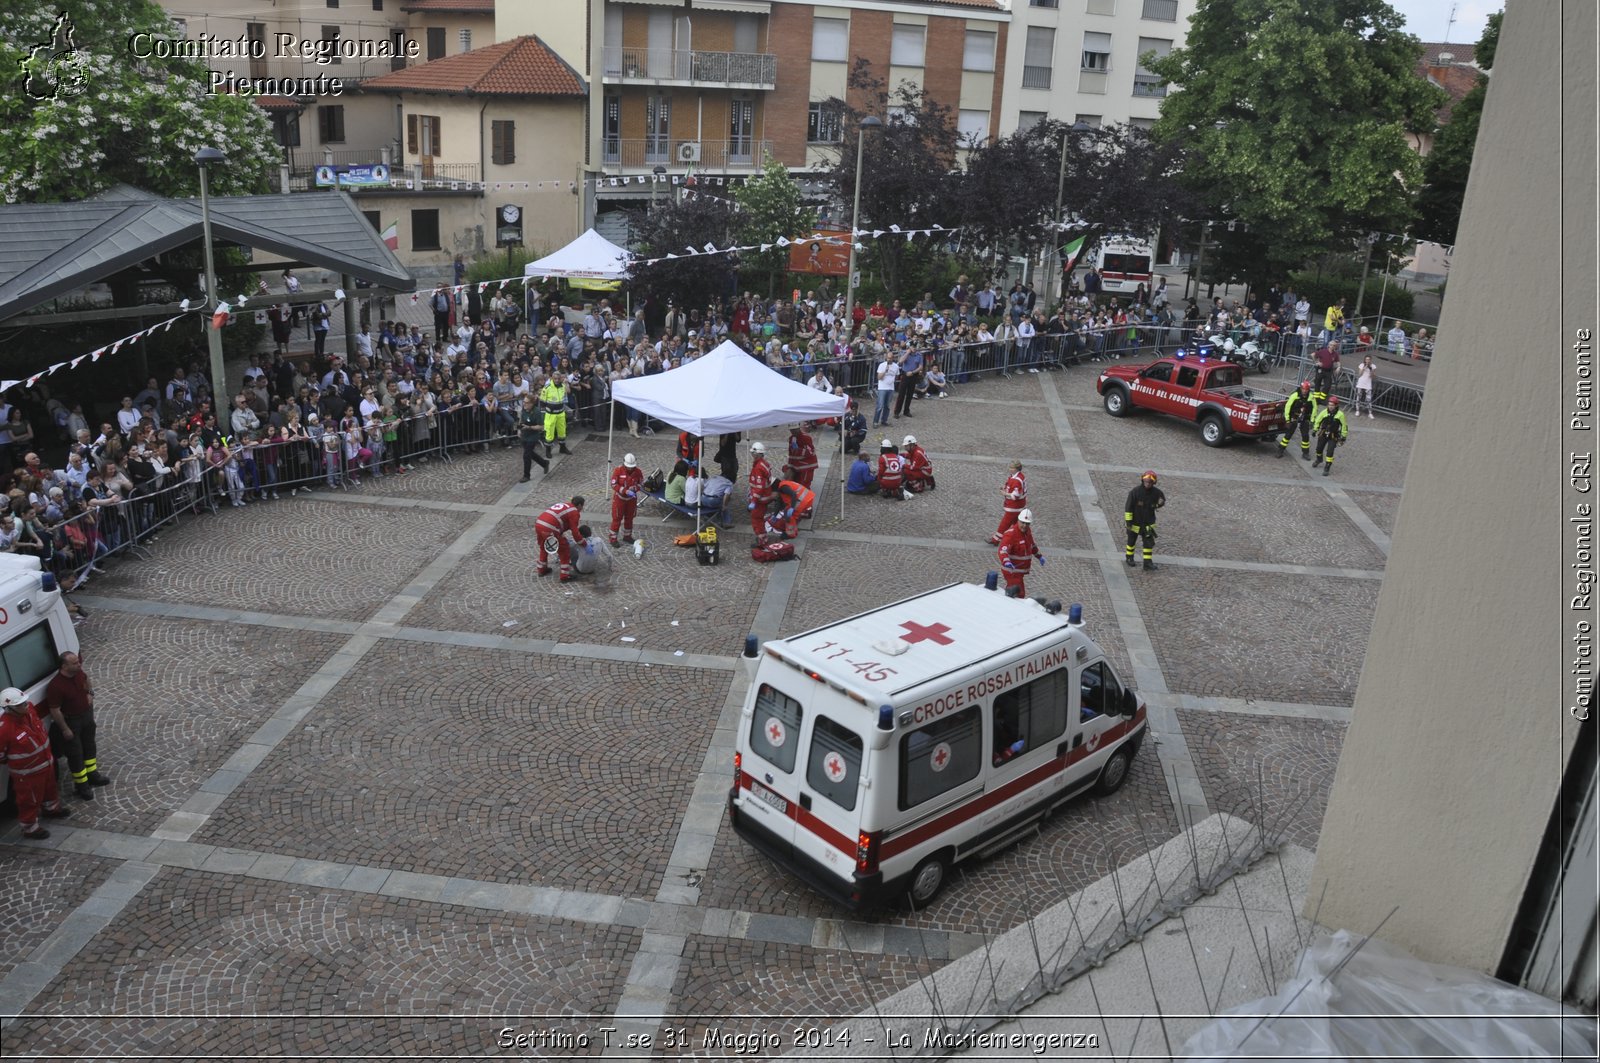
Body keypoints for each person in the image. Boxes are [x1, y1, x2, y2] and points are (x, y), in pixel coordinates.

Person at [0, 687, 70, 839]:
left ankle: (51, 809)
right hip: (27, 773)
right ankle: (30, 828)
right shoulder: (4, 729)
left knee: (50, 789)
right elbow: (1, 755)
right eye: (21, 705)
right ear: (9, 709)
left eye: (25, 702)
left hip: (46, 762)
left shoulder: (29, 710)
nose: (26, 705)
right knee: (28, 800)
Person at [44, 650, 107, 799]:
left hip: (86, 717)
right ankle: (82, 786)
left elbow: (86, 680)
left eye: (78, 662)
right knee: (75, 754)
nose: (79, 664)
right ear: (64, 666)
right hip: (71, 722)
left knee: (89, 747)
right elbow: (55, 710)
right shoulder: (56, 686)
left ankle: (93, 775)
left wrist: (90, 693)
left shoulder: (78, 673)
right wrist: (65, 729)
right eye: (75, 663)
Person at [534, 495, 585, 582]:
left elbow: (560, 521)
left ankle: (541, 569)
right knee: (564, 549)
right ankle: (564, 576)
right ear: (579, 505)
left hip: (539, 523)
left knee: (544, 546)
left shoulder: (565, 505)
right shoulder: (574, 512)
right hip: (550, 527)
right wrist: (583, 543)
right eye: (582, 506)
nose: (582, 509)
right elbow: (575, 532)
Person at [997, 508, 1044, 597]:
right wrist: (1006, 561)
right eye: (1022, 522)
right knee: (1019, 595)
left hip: (1019, 571)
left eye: (1027, 523)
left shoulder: (1027, 532)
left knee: (1013, 593)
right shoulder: (1011, 534)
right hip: (1012, 571)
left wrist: (1039, 556)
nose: (1024, 525)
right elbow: (1003, 550)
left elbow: (1032, 545)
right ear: (1018, 520)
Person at [1124, 470, 1166, 571]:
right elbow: (1128, 507)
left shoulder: (1157, 493)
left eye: (1150, 482)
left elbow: (1162, 500)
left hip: (1148, 523)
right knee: (1131, 541)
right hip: (1134, 522)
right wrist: (1128, 522)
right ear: (1143, 480)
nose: (1147, 483)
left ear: (1153, 483)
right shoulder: (1135, 492)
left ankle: (1147, 563)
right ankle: (1129, 558)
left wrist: (1157, 505)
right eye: (1146, 481)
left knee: (1148, 543)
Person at [1277, 380, 1319, 460]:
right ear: (1301, 388)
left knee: (1305, 436)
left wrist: (1312, 421)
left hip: (1305, 417)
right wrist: (1287, 420)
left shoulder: (1311, 397)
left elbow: (1314, 409)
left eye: (1306, 390)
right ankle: (1280, 450)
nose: (1305, 391)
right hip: (1294, 417)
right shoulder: (1295, 395)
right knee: (1288, 434)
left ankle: (1305, 453)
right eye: (1303, 389)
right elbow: (1287, 407)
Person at [609, 453, 643, 546]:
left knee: (629, 518)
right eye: (629, 467)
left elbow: (640, 484)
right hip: (619, 499)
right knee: (617, 518)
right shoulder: (618, 470)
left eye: (632, 467)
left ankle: (627, 536)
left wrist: (634, 489)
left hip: (631, 499)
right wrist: (625, 491)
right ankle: (613, 539)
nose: (630, 468)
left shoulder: (638, 472)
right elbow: (613, 484)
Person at [1312, 394, 1351, 477]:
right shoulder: (1324, 412)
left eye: (1332, 405)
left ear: (1336, 406)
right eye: (1329, 405)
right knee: (1319, 449)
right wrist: (1315, 429)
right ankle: (1319, 459)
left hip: (1333, 436)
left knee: (1330, 451)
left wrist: (1343, 436)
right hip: (1323, 433)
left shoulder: (1340, 415)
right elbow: (1318, 421)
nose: (1330, 407)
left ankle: (1327, 466)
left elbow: (1344, 426)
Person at [990, 460, 1027, 545]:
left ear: (1017, 469)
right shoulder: (1019, 476)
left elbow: (1015, 495)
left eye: (1012, 468)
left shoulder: (1016, 480)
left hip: (1014, 506)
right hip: (1019, 506)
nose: (1010, 469)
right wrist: (1005, 486)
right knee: (1017, 525)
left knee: (1005, 523)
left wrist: (1005, 493)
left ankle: (996, 540)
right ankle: (1022, 539)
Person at [516, 395, 550, 483]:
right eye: (524, 402)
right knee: (530, 453)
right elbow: (521, 419)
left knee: (526, 455)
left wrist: (530, 427)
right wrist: (519, 430)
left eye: (527, 403)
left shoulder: (537, 412)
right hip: (524, 435)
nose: (525, 404)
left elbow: (541, 426)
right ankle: (544, 463)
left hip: (533, 436)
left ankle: (526, 475)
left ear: (532, 404)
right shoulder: (524, 409)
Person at [538, 373, 571, 458]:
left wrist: (566, 384)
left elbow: (567, 393)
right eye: (555, 379)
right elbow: (542, 402)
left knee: (562, 432)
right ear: (552, 379)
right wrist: (547, 410)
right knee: (549, 433)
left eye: (558, 379)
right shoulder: (547, 388)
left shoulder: (562, 386)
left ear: (560, 379)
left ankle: (562, 448)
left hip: (561, 413)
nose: (556, 380)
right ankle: (548, 451)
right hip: (550, 414)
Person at [747, 441, 775, 536]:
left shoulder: (758, 467)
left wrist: (754, 501)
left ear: (757, 454)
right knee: (759, 517)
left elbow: (759, 487)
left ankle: (761, 539)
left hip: (760, 498)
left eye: (753, 453)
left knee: (756, 518)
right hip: (765, 495)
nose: (752, 455)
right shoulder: (763, 463)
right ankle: (762, 538)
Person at [874, 350, 898, 427]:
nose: (889, 359)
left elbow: (896, 376)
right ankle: (875, 421)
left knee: (887, 406)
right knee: (880, 405)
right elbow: (879, 377)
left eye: (890, 358)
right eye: (888, 358)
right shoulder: (882, 365)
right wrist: (885, 371)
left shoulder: (896, 366)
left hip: (891, 388)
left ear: (893, 358)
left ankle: (884, 420)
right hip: (882, 388)